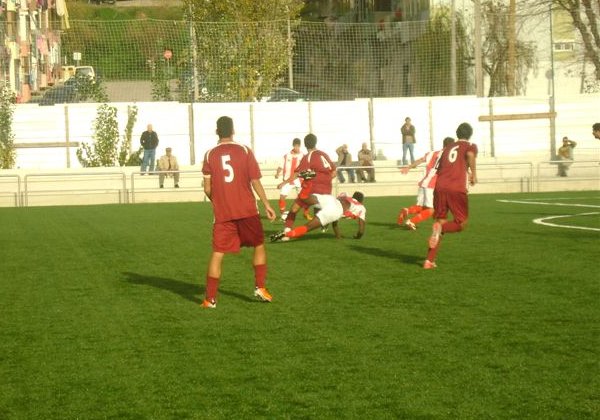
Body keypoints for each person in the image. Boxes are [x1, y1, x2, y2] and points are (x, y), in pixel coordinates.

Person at [200, 116, 276, 308]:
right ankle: (260, 287)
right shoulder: (244, 150)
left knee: (218, 253)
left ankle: (210, 299)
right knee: (258, 245)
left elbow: (207, 189)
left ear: (217, 132)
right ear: (233, 131)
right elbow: (255, 180)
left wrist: (219, 202)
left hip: (223, 215)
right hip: (247, 210)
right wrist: (266, 204)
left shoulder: (209, 155)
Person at [424, 122, 477, 269]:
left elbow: (440, 167)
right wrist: (473, 174)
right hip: (456, 187)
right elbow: (470, 155)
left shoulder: (447, 148)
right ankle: (440, 229)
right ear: (470, 135)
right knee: (461, 223)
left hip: (440, 187)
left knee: (440, 221)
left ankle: (429, 261)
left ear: (457, 134)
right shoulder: (470, 146)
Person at [398, 137, 455, 230]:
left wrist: (408, 167)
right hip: (432, 185)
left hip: (423, 182)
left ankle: (406, 211)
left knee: (422, 207)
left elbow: (419, 161)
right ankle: (411, 221)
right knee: (432, 210)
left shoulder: (431, 153)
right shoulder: (450, 157)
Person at [283, 134, 336, 230]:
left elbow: (297, 174)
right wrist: (325, 179)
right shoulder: (324, 154)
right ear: (315, 142)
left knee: (294, 208)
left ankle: (287, 230)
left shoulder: (308, 156)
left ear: (305, 144)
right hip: (327, 188)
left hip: (313, 187)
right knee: (319, 207)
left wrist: (283, 183)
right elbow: (334, 172)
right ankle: (324, 224)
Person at [271, 191, 366, 242]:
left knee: (305, 198)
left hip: (331, 199)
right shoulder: (361, 207)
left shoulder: (345, 197)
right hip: (336, 210)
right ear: (361, 201)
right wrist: (358, 236)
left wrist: (338, 236)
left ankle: (306, 184)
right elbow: (361, 229)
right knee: (307, 227)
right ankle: (285, 235)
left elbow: (335, 223)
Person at [275, 138, 304, 220]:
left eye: (298, 146)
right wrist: (277, 173)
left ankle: (306, 213)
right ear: (293, 146)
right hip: (287, 179)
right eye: (295, 146)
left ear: (300, 146)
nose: (296, 148)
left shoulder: (303, 156)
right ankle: (283, 215)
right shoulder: (286, 155)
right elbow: (280, 166)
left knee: (304, 198)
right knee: (282, 197)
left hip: (299, 180)